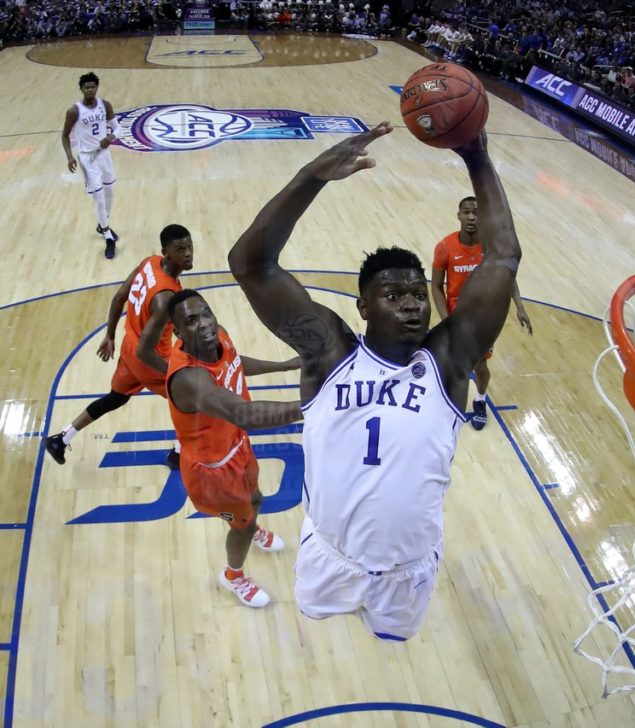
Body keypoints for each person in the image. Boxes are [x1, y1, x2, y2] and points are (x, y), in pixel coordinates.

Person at [227, 123, 522, 640]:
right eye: (393, 295)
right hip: (330, 553)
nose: (411, 303)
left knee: (393, 639)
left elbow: (503, 259)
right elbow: (249, 264)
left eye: (416, 294)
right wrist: (310, 178)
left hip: (408, 569)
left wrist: (476, 154)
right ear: (363, 307)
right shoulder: (328, 351)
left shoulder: (447, 359)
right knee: (316, 618)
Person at [137, 289, 302, 607]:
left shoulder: (219, 336)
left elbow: (237, 363)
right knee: (240, 524)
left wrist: (282, 366)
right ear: (177, 332)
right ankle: (233, 575)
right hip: (213, 470)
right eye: (192, 321)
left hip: (237, 443)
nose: (205, 324)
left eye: (206, 314)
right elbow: (246, 414)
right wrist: (315, 404)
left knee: (255, 498)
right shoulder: (189, 378)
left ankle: (250, 526)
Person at [44, 225, 195, 469]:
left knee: (116, 398)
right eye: (180, 249)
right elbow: (149, 347)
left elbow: (118, 298)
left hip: (128, 347)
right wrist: (174, 372)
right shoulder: (166, 297)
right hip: (151, 357)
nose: (187, 253)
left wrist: (110, 335)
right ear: (166, 253)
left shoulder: (150, 263)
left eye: (189, 247)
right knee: (190, 399)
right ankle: (178, 454)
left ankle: (62, 438)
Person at [431, 196, 532, 430]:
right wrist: (447, 321)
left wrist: (520, 307)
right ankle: (448, 404)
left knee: (481, 367)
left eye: (476, 213)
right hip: (457, 316)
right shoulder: (445, 247)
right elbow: (436, 286)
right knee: (452, 365)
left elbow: (507, 278)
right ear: (458, 215)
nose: (471, 218)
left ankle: (480, 400)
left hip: (484, 318)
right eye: (466, 213)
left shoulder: (491, 248)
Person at [62, 72, 120, 259]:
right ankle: (108, 236)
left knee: (110, 194)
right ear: (81, 89)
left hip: (104, 155)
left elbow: (117, 127)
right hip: (88, 158)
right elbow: (64, 135)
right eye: (86, 87)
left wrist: (111, 136)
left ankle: (102, 224)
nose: (90, 90)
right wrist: (70, 157)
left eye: (92, 86)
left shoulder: (105, 105)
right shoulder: (74, 111)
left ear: (97, 87)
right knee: (99, 198)